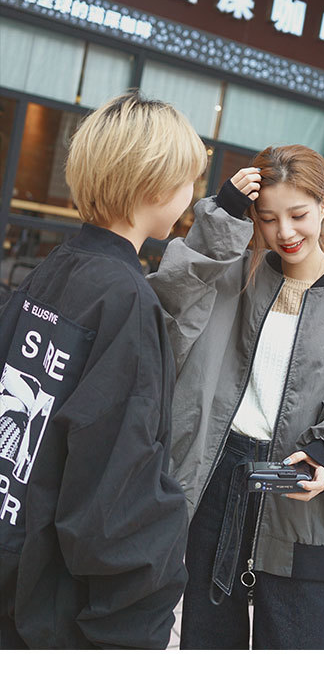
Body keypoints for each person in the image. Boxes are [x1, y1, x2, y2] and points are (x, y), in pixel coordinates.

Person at [149, 144, 324, 650]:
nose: (285, 232)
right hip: (217, 479)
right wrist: (220, 220)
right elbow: (169, 311)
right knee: (208, 644)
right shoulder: (234, 275)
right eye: (268, 218)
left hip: (304, 493)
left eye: (298, 214)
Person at [0, 91, 206, 649]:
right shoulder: (126, 299)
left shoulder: (55, 268)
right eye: (188, 180)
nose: (191, 196)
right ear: (155, 185)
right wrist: (134, 627)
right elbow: (116, 488)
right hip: (57, 614)